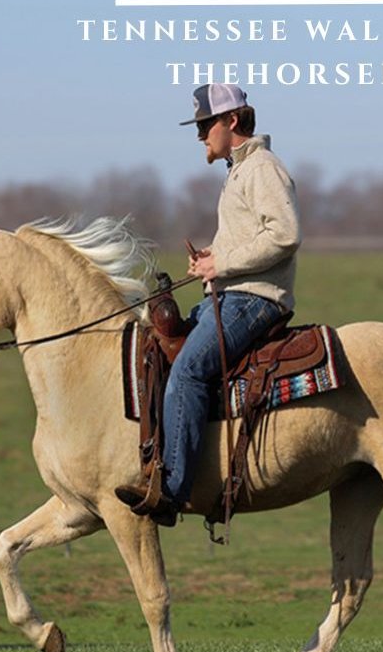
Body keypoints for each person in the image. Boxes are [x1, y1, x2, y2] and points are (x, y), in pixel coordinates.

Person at [119, 84, 302, 526]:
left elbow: (285, 234)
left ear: (231, 122)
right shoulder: (239, 171)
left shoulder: (262, 169)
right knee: (162, 343)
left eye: (204, 125)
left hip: (255, 301)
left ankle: (173, 489)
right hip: (231, 294)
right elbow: (249, 239)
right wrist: (209, 258)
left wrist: (222, 263)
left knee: (189, 370)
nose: (200, 135)